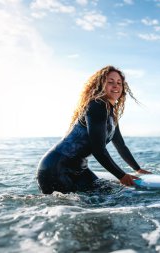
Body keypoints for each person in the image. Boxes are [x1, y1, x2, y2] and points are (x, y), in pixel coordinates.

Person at [36, 66, 151, 194]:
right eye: (110, 82)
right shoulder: (97, 106)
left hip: (79, 168)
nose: (116, 86)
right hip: (57, 167)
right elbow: (98, 150)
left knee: (107, 193)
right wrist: (122, 176)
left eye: (119, 83)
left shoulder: (110, 112)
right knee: (72, 208)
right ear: (100, 85)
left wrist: (137, 169)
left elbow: (121, 146)